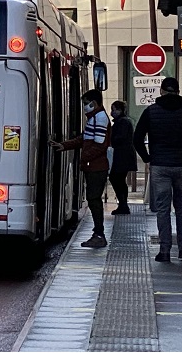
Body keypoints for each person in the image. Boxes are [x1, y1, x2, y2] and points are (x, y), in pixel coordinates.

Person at [133, 77, 182, 263]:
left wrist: (148, 158)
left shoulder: (151, 112)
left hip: (160, 166)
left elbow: (137, 138)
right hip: (181, 166)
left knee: (163, 209)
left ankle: (164, 251)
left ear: (161, 91)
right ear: (178, 92)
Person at [50, 89, 111, 248]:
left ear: (94, 103)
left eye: (86, 104)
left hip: (96, 167)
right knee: (93, 199)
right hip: (94, 166)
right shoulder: (94, 118)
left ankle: (99, 234)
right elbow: (84, 139)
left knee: (94, 200)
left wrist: (83, 158)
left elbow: (99, 146)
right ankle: (98, 233)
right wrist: (63, 145)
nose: (84, 107)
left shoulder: (100, 118)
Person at [108, 100, 137, 215]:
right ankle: (123, 204)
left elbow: (119, 138)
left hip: (122, 156)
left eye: (114, 109)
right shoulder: (124, 121)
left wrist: (110, 139)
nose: (112, 112)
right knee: (119, 179)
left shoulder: (122, 123)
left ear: (119, 110)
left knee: (116, 178)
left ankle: (123, 204)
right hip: (124, 155)